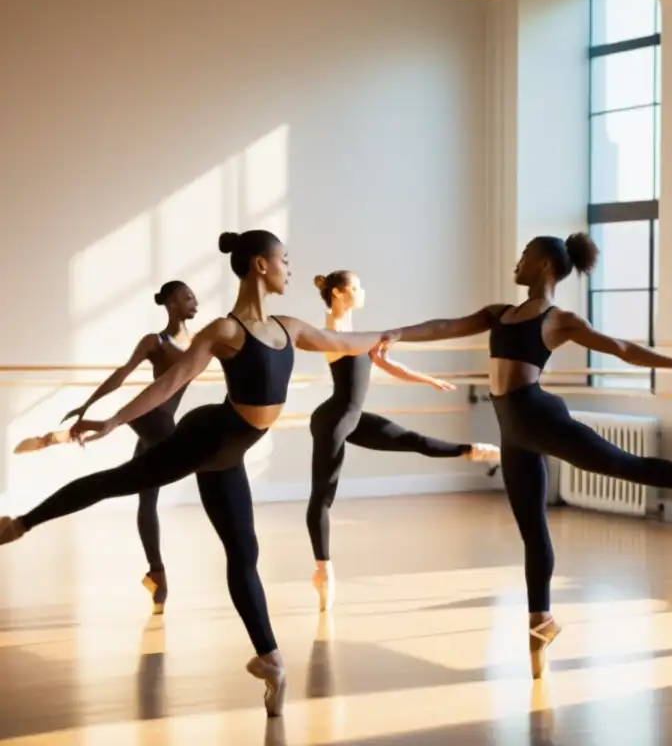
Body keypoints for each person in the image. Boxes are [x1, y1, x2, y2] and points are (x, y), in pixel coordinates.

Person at [0, 229, 395, 717]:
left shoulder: (287, 326)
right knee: (118, 482)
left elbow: (343, 338)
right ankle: (22, 522)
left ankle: (270, 661)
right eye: (284, 259)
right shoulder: (224, 331)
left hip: (228, 452)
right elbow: (169, 382)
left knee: (244, 552)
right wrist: (111, 421)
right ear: (259, 266)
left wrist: (398, 334)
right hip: (203, 436)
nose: (291, 267)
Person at [383, 232, 672, 679]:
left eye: (524, 256)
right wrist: (397, 333)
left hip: (540, 418)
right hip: (514, 432)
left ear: (546, 267)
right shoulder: (499, 313)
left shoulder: (559, 320)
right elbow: (444, 326)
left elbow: (622, 348)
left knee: (623, 465)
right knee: (532, 533)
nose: (517, 261)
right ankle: (541, 622)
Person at [307, 271, 500, 611]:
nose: (363, 291)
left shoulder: (356, 335)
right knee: (323, 496)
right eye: (356, 287)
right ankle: (324, 569)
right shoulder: (332, 333)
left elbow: (385, 361)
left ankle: (471, 450)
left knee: (411, 440)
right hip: (333, 421)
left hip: (352, 417)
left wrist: (428, 380)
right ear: (338, 293)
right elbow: (341, 331)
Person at [14, 281, 199, 614]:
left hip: (157, 427)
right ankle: (68, 433)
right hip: (153, 418)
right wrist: (88, 403)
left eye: (194, 297)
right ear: (171, 303)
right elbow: (122, 375)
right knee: (136, 426)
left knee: (147, 500)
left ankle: (156, 572)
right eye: (187, 297)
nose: (194, 301)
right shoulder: (155, 341)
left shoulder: (199, 343)